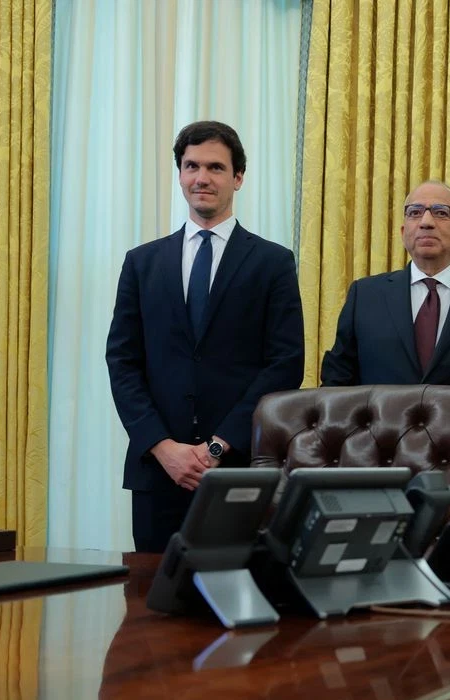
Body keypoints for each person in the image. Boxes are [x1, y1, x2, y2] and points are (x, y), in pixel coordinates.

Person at [106, 121, 305, 552]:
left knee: (239, 604)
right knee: (155, 605)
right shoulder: (142, 263)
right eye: (191, 166)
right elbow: (122, 362)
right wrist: (163, 447)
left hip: (240, 468)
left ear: (237, 177)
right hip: (158, 473)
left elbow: (285, 363)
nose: (201, 178)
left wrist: (217, 446)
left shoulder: (273, 263)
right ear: (180, 174)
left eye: (215, 167)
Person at [319, 180, 450, 467]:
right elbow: (336, 388)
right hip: (373, 471)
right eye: (415, 212)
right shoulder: (365, 297)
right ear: (404, 232)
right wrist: (358, 459)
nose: (426, 221)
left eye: (441, 212)